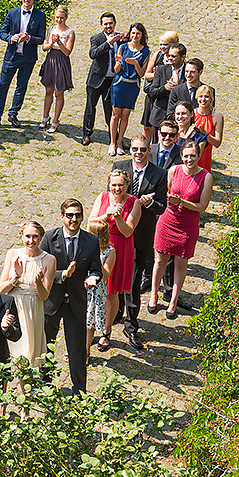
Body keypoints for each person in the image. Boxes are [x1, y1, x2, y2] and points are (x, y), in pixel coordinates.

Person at [39, 200, 103, 394]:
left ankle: (79, 388)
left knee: (77, 348)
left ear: (83, 217)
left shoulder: (91, 241)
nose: (74, 219)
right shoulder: (49, 238)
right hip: (52, 301)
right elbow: (40, 268)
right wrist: (61, 275)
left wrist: (93, 278)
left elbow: (95, 268)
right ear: (62, 217)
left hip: (76, 301)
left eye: (77, 215)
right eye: (69, 215)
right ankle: (45, 385)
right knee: (46, 345)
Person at [112, 137, 168, 352]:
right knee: (114, 276)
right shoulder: (119, 167)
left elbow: (162, 207)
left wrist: (150, 203)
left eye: (142, 149)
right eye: (134, 149)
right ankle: (114, 312)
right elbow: (111, 194)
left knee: (134, 282)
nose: (138, 153)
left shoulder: (159, 173)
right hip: (117, 234)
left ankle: (131, 324)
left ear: (148, 151)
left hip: (141, 235)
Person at [149, 143, 213, 319]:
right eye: (186, 156)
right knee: (160, 260)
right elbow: (166, 193)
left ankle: (173, 302)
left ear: (198, 156)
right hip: (167, 220)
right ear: (181, 156)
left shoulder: (206, 177)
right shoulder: (173, 170)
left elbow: (202, 207)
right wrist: (169, 199)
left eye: (192, 156)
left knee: (180, 264)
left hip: (187, 225)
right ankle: (154, 295)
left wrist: (182, 203)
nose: (189, 159)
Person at [89, 169, 142, 351]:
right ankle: (90, 327)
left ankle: (106, 331)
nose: (117, 188)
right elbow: (90, 223)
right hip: (99, 245)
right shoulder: (102, 197)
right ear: (109, 185)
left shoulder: (134, 203)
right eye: (114, 185)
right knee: (95, 289)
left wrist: (118, 217)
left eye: (121, 185)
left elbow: (128, 231)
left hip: (120, 247)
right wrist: (106, 216)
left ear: (127, 185)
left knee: (112, 292)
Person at [0, 0, 46, 131]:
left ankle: (13, 114)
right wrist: (11, 37)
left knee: (21, 87)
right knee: (2, 87)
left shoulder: (40, 16)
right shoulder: (12, 13)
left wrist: (29, 38)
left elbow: (41, 39)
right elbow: (2, 33)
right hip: (11, 56)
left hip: (28, 58)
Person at [0, 221, 56, 369]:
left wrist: (37, 283)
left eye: (35, 236)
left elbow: (44, 296)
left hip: (32, 311)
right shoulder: (12, 254)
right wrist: (16, 277)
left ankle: (26, 391)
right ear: (22, 236)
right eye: (28, 236)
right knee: (7, 355)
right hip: (13, 307)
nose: (31, 241)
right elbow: (2, 289)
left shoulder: (49, 260)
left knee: (26, 359)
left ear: (41, 237)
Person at [108, 22, 150, 157]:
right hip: (119, 84)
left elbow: (142, 74)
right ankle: (112, 142)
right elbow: (116, 70)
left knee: (125, 115)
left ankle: (120, 142)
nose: (135, 35)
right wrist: (119, 62)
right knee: (115, 114)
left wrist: (136, 63)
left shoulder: (146, 51)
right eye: (133, 33)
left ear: (141, 35)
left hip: (132, 86)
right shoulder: (123, 47)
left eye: (137, 33)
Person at [82, 12, 122, 146]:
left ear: (115, 23)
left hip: (111, 81)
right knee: (90, 108)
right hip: (96, 79)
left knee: (110, 110)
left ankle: (114, 137)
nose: (108, 26)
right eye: (106, 24)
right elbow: (93, 54)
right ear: (101, 25)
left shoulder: (120, 38)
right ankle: (87, 134)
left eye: (110, 23)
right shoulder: (96, 38)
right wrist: (108, 43)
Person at [39, 5, 75, 133]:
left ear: (66, 18)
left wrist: (60, 43)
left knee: (59, 92)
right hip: (51, 59)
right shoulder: (51, 29)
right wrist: (52, 43)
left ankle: (55, 120)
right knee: (48, 91)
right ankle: (45, 117)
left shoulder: (69, 32)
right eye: (57, 18)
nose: (59, 20)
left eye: (61, 18)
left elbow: (67, 52)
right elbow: (44, 47)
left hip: (61, 61)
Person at [84, 218, 115, 358]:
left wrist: (96, 258)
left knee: (89, 323)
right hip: (82, 288)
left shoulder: (109, 251)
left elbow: (106, 275)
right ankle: (76, 348)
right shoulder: (83, 245)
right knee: (78, 320)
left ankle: (86, 351)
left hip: (96, 291)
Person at [143, 41, 187, 141]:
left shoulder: (189, 71)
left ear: (183, 57)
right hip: (160, 115)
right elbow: (152, 92)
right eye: (169, 55)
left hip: (180, 118)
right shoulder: (161, 69)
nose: (170, 58)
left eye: (174, 56)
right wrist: (165, 88)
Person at [139, 31, 177, 138]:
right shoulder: (158, 55)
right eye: (160, 44)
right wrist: (159, 74)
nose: (162, 47)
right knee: (147, 126)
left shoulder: (176, 59)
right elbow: (147, 74)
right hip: (153, 94)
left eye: (165, 44)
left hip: (165, 99)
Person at [193, 85, 224, 171]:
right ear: (196, 97)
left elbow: (217, 143)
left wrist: (205, 134)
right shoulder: (191, 114)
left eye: (206, 97)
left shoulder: (217, 117)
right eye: (200, 96)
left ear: (211, 99)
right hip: (190, 155)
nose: (203, 99)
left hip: (205, 157)